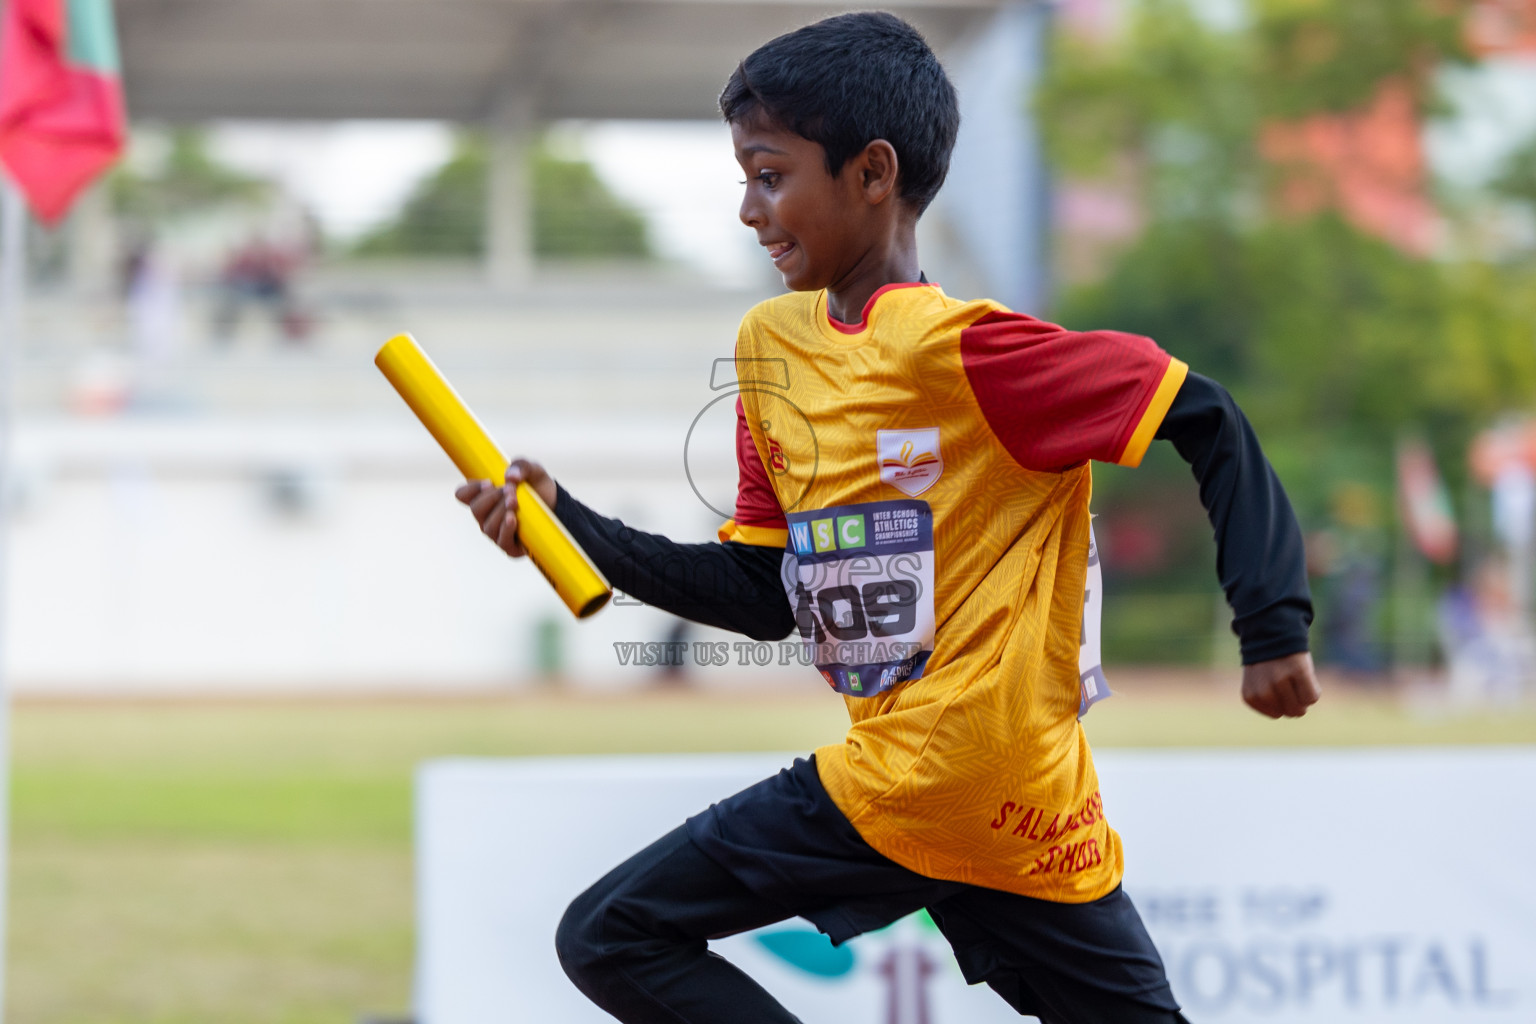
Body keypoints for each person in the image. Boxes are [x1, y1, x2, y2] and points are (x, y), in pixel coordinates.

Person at [457, 12, 1320, 1023]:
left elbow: (1202, 413)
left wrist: (1272, 626)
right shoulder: (771, 348)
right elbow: (758, 593)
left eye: (770, 174)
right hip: (1020, 809)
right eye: (742, 176)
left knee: (612, 933)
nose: (747, 208)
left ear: (872, 174)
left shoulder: (974, 354)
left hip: (923, 786)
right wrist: (565, 523)